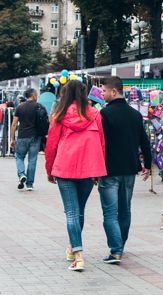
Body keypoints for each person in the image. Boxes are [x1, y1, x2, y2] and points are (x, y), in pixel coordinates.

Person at [44, 79, 106, 271]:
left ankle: (78, 255)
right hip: (89, 168)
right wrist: (98, 169)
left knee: (71, 212)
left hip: (64, 167)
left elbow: (51, 145)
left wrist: (49, 169)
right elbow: (102, 143)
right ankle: (73, 248)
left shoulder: (59, 115)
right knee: (78, 211)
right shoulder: (95, 114)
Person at [97, 76, 152, 265]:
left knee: (110, 213)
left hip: (110, 169)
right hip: (130, 169)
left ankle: (115, 250)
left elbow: (100, 144)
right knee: (125, 210)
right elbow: (145, 142)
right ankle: (121, 244)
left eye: (103, 90)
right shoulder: (135, 115)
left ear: (114, 92)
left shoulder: (104, 115)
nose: (101, 93)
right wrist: (148, 165)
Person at [11, 89, 42, 191]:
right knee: (32, 160)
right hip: (35, 136)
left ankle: (21, 174)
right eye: (36, 94)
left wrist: (12, 138)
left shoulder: (20, 107)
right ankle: (29, 184)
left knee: (19, 157)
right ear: (33, 95)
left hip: (22, 136)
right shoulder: (39, 106)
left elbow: (14, 123)